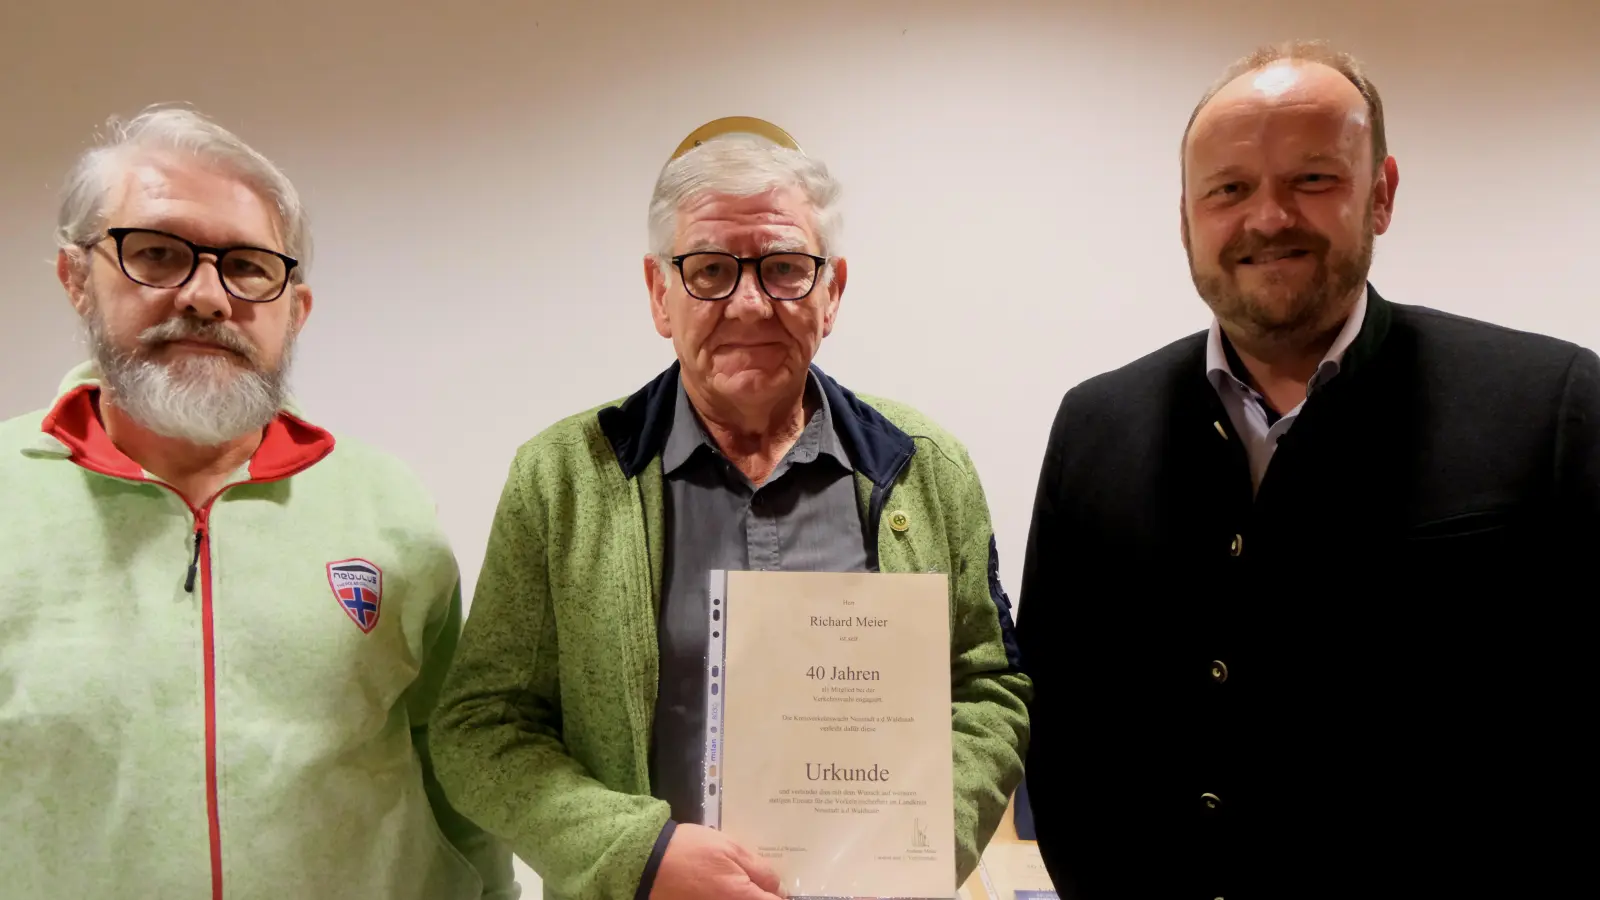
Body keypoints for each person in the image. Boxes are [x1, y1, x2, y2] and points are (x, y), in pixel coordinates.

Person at [1017, 40, 1600, 897]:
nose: (1268, 218)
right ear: (1187, 218)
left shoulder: (1554, 406)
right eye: (1230, 189)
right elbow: (1057, 717)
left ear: (1382, 193)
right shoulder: (1096, 424)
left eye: (1313, 180)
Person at [430, 123, 1031, 900]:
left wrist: (911, 850)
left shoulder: (926, 468)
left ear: (833, 291)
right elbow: (481, 725)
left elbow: (991, 690)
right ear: (659, 294)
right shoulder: (561, 480)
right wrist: (635, 853)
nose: (749, 303)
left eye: (784, 269)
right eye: (711, 270)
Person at [0, 106, 517, 900]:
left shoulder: (388, 507)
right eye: (158, 254)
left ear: (294, 310)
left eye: (247, 267)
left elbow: (458, 775)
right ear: (76, 279)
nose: (208, 296)